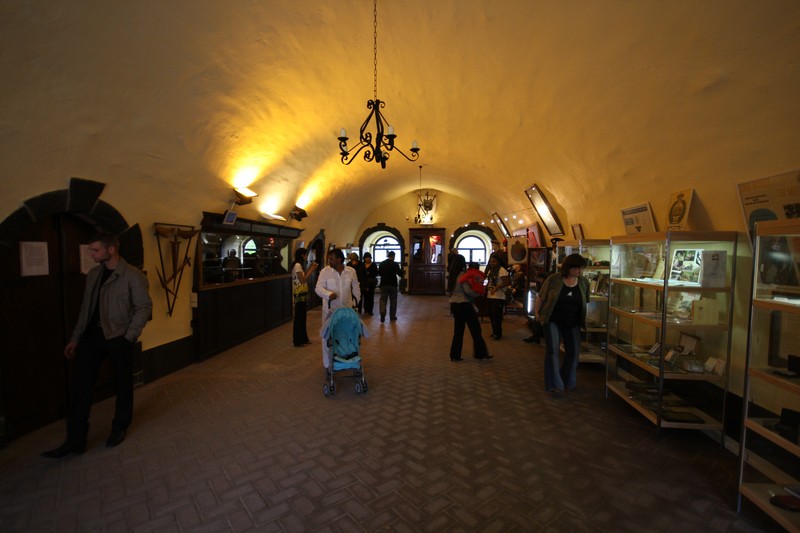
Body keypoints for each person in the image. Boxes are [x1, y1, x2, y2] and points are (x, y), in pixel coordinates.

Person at [42, 233, 152, 458]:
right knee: (80, 387)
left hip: (118, 336)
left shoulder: (132, 276)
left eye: (95, 250)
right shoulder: (93, 274)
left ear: (111, 249)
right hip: (92, 337)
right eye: (91, 250)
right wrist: (75, 338)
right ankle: (75, 440)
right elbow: (86, 308)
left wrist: (129, 336)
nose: (91, 254)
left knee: (123, 384)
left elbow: (143, 307)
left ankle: (119, 427)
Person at [533, 253, 590, 395]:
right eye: (576, 268)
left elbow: (585, 301)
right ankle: (555, 385)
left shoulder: (583, 282)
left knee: (573, 352)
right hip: (553, 319)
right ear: (568, 267)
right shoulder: (554, 280)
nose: (578, 271)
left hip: (573, 321)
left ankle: (567, 379)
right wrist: (537, 312)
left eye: (580, 268)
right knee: (552, 350)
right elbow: (541, 296)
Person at [315, 248, 361, 371]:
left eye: (331, 259)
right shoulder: (325, 272)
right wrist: (328, 294)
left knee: (346, 334)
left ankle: (345, 359)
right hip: (330, 311)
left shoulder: (351, 271)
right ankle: (327, 364)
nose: (329, 261)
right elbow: (318, 288)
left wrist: (355, 303)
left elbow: (356, 288)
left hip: (346, 310)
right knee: (327, 336)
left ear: (339, 260)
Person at [448, 255, 491, 361]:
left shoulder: (452, 275)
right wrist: (479, 293)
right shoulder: (463, 275)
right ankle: (480, 353)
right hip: (464, 304)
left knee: (458, 331)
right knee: (475, 329)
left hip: (454, 304)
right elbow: (468, 291)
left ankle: (455, 355)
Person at [292, 247, 318, 347]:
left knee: (302, 317)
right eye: (306, 255)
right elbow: (302, 280)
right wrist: (311, 270)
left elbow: (303, 276)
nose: (306, 256)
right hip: (299, 294)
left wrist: (310, 268)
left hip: (301, 294)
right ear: (302, 255)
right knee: (299, 317)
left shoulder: (299, 265)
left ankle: (303, 338)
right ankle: (298, 340)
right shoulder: (297, 265)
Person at [485, 253, 510, 339]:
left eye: (494, 262)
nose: (492, 263)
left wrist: (496, 287)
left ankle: (497, 333)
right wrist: (486, 287)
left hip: (499, 296)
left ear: (498, 262)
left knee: (496, 315)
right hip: (490, 295)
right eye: (491, 262)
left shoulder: (502, 270)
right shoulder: (490, 270)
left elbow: (506, 282)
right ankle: (494, 332)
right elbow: (489, 281)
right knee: (491, 315)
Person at [378, 250, 404, 323]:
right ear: (393, 256)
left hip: (383, 284)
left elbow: (379, 273)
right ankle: (392, 316)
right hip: (393, 285)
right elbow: (400, 273)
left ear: (388, 256)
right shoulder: (395, 264)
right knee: (393, 301)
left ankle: (382, 312)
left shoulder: (382, 264)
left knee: (383, 300)